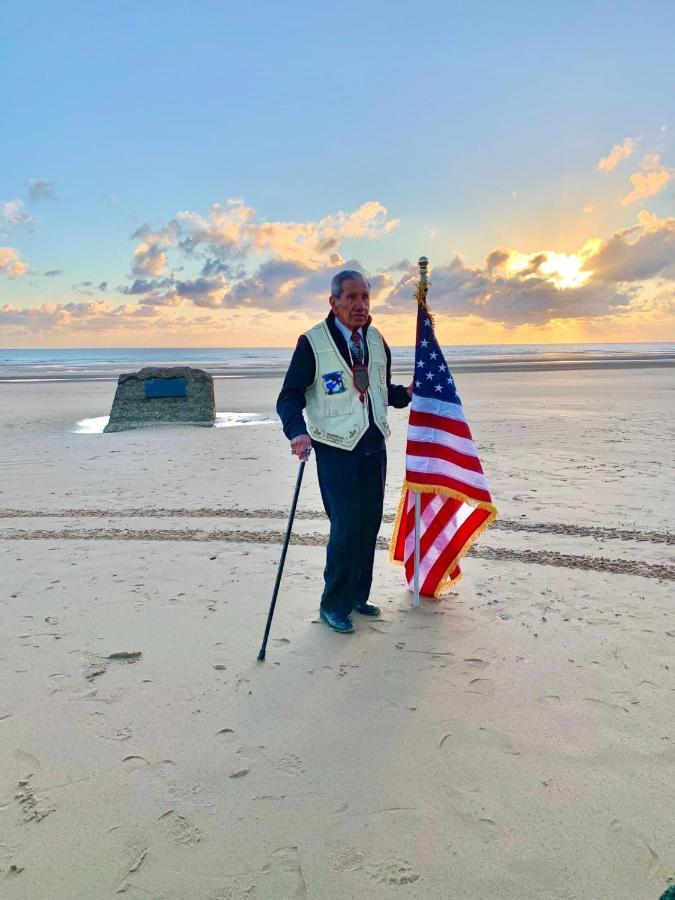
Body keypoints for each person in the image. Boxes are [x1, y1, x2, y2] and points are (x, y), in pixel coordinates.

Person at [276, 271, 412, 634]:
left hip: (373, 445)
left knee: (368, 526)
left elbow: (381, 390)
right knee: (346, 527)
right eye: (351, 297)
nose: (359, 305)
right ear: (333, 302)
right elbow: (289, 396)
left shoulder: (377, 339)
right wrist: (297, 432)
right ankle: (332, 604)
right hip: (336, 449)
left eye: (365, 297)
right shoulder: (312, 342)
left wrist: (410, 393)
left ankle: (356, 596)